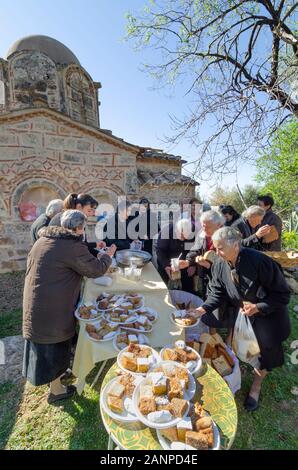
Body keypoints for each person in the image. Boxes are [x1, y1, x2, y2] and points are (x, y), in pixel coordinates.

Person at [22, 210, 116, 404]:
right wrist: (107, 256)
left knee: (46, 346)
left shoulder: (44, 240)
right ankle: (56, 391)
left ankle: (54, 380)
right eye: (83, 228)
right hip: (53, 307)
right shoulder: (70, 245)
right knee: (54, 345)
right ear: (77, 228)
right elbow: (96, 270)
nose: (83, 232)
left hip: (38, 302)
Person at [195, 227, 291, 411]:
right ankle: (247, 367)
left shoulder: (260, 261)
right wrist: (202, 309)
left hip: (268, 318)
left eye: (220, 248)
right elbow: (217, 291)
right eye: (215, 248)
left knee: (265, 354)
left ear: (236, 245)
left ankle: (256, 386)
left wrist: (259, 307)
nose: (216, 252)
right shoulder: (220, 263)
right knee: (247, 348)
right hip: (245, 317)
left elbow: (282, 294)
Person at [179, 210, 225, 298]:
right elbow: (196, 250)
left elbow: (230, 262)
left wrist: (210, 266)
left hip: (221, 278)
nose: (204, 229)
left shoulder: (226, 236)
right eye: (203, 226)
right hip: (205, 275)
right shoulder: (202, 232)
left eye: (208, 227)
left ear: (218, 225)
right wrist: (188, 262)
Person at [156, 218, 194, 292]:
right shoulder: (166, 232)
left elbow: (192, 250)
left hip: (184, 261)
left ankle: (187, 297)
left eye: (186, 237)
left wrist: (191, 264)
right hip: (167, 258)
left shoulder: (192, 232)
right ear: (176, 230)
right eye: (182, 236)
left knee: (188, 284)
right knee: (162, 285)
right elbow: (160, 251)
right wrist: (166, 265)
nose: (184, 239)